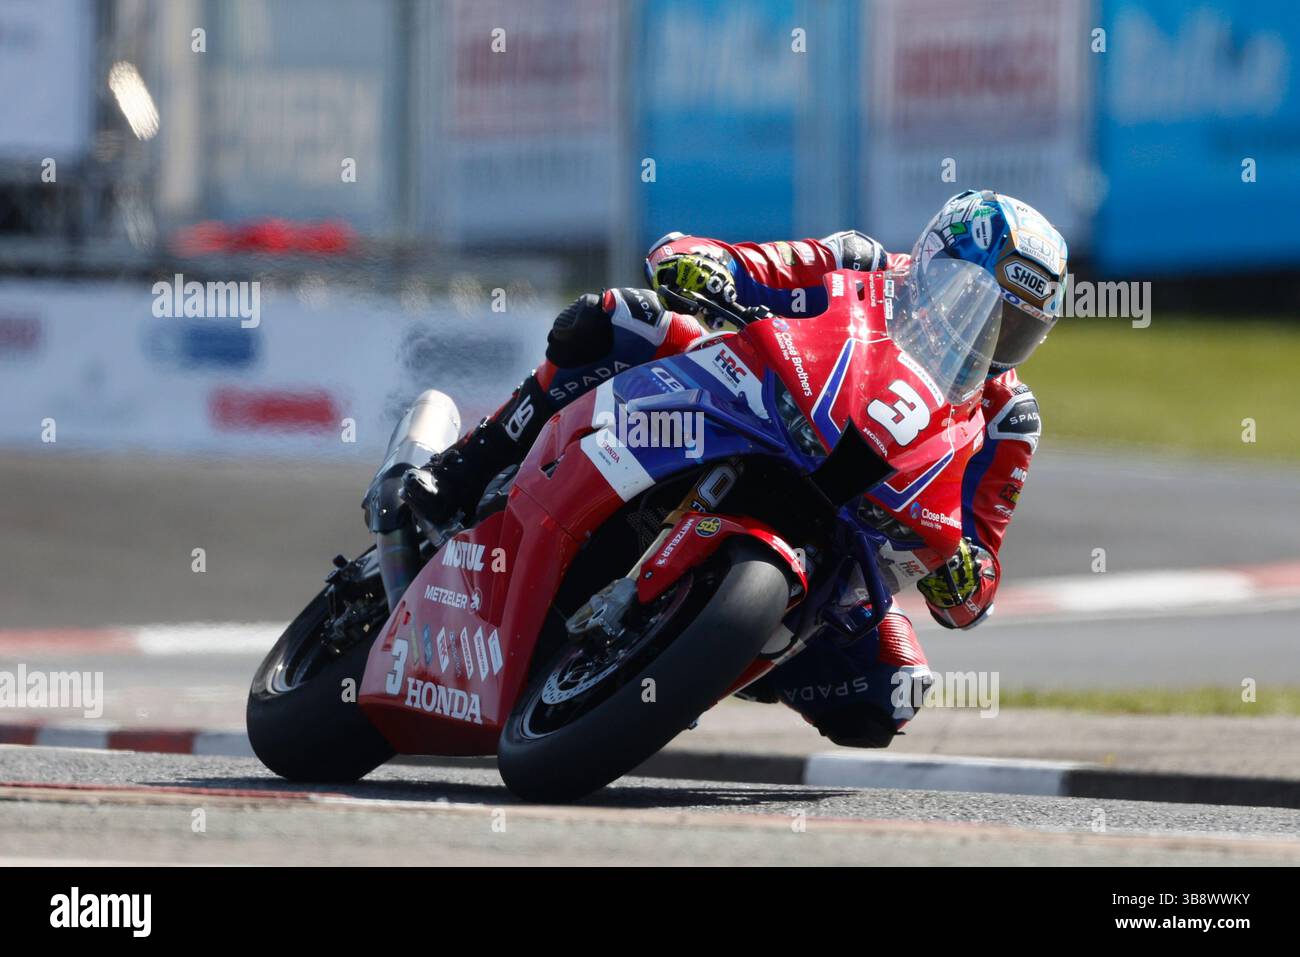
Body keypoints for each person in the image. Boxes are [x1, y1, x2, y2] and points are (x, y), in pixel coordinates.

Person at [402, 189, 1068, 747]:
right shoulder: (859, 264)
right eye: (976, 302)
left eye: (1014, 328)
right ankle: (463, 469)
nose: (989, 333)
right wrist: (704, 268)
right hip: (754, 412)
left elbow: (978, 570)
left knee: (885, 697)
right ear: (931, 264)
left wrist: (961, 575)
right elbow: (735, 261)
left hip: (848, 532)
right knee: (624, 320)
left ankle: (709, 648)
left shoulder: (1008, 417)